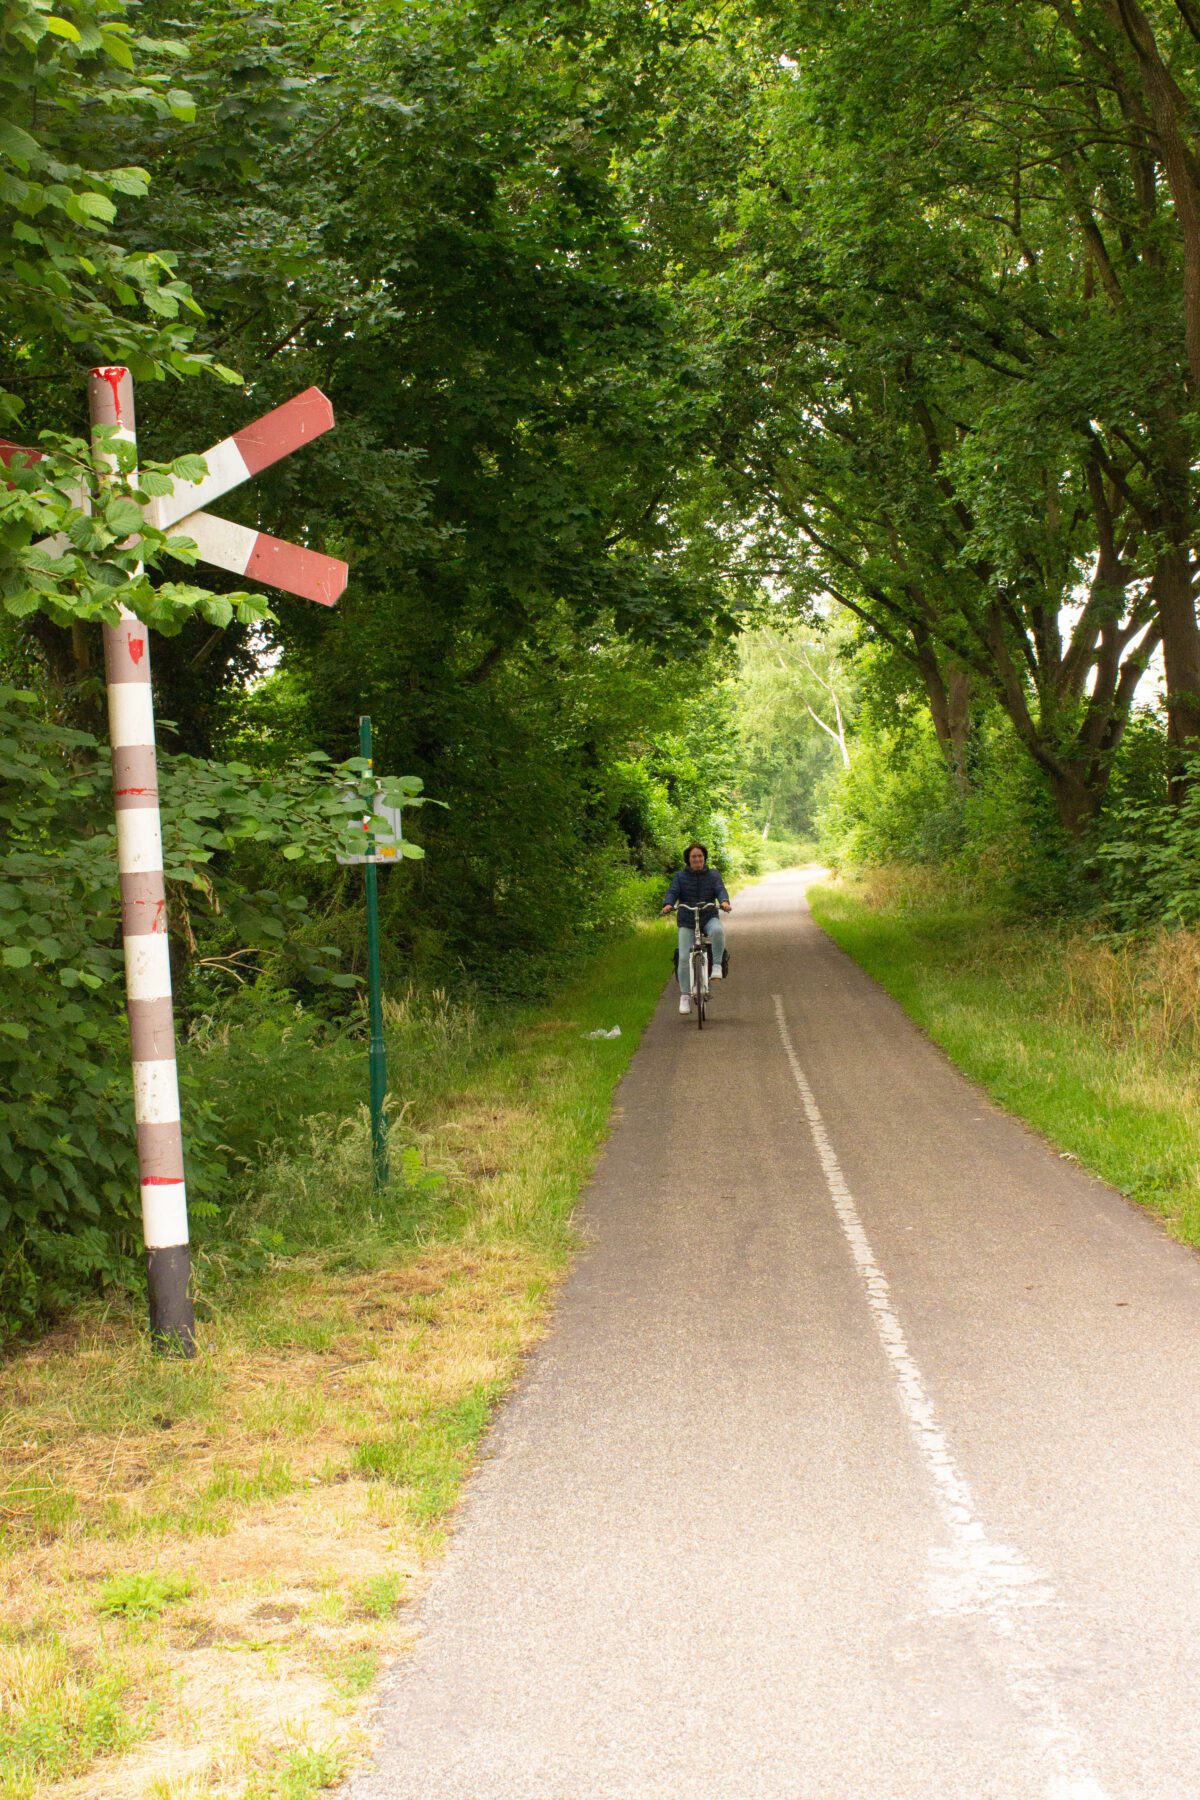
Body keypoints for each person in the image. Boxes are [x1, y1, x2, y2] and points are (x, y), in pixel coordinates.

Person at [661, 842, 731, 1014]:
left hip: (708, 916)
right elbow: (673, 891)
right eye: (694, 856)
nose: (697, 859)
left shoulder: (713, 875)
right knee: (684, 957)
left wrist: (724, 902)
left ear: (704, 858)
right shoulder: (680, 876)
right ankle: (684, 996)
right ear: (688, 859)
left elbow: (720, 890)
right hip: (687, 919)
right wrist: (668, 904)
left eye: (700, 856)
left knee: (718, 931)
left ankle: (716, 966)